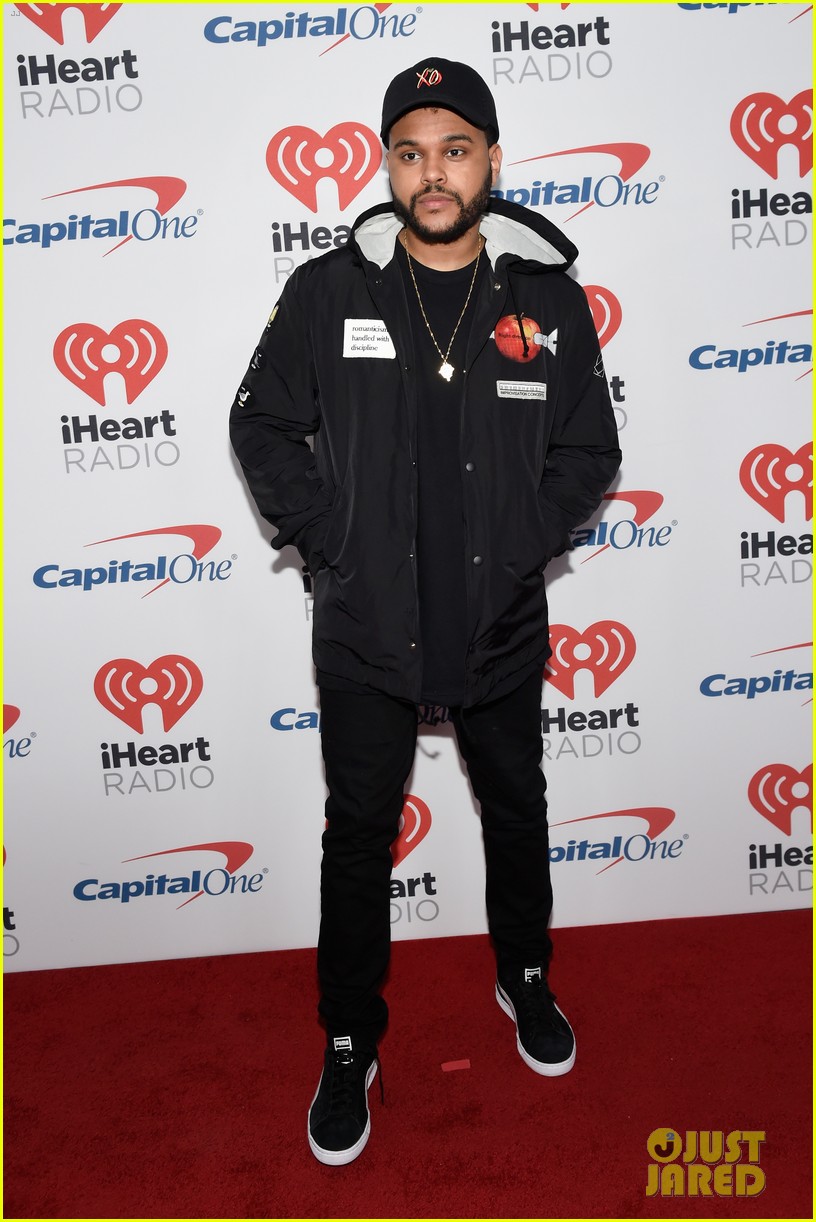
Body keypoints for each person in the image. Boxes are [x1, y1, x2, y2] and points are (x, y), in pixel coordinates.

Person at [230, 58, 621, 1166]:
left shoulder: (544, 296)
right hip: (366, 626)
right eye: (411, 151)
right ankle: (350, 1037)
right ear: (388, 166)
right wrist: (333, 540)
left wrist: (525, 543)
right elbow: (260, 424)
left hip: (497, 621)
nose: (432, 172)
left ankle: (526, 975)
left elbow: (591, 448)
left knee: (517, 806)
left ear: (492, 159)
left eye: (455, 149)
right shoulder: (327, 292)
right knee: (358, 837)